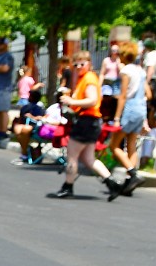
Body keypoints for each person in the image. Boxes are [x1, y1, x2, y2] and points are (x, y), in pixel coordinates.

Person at [52, 51, 123, 200]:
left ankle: (68, 186)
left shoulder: (89, 79)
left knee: (72, 156)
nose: (78, 67)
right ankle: (112, 183)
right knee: (88, 158)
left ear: (89, 64)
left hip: (87, 121)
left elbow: (92, 100)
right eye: (76, 64)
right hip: (90, 122)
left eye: (82, 64)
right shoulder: (83, 78)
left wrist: (72, 102)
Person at [107, 42, 149, 196]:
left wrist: (117, 117)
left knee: (114, 145)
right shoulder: (141, 71)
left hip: (130, 109)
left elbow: (123, 95)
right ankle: (130, 180)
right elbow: (146, 94)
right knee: (131, 145)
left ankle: (133, 173)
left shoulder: (126, 71)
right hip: (141, 109)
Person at [99, 43, 122, 123]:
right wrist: (99, 85)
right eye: (113, 50)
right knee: (106, 99)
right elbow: (102, 73)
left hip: (116, 82)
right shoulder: (106, 60)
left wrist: (118, 61)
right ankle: (105, 116)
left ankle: (113, 117)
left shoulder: (119, 60)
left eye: (116, 50)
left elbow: (122, 72)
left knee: (116, 99)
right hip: (107, 81)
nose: (115, 52)